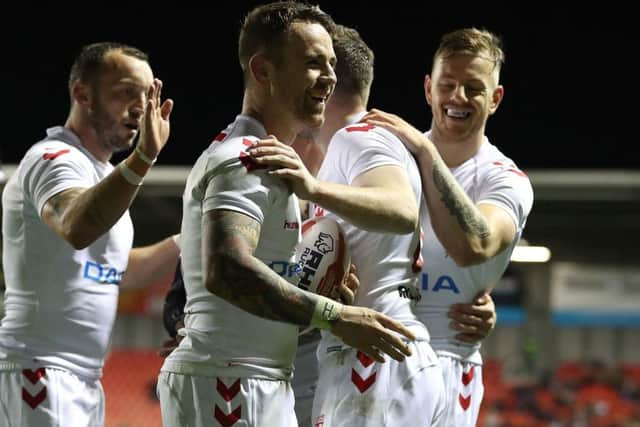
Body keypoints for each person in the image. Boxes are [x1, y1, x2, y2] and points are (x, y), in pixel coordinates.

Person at [156, 4, 415, 427]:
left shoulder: (273, 162)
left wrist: (319, 303)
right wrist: (336, 316)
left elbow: (255, 285)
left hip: (252, 376)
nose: (329, 77)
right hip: (231, 380)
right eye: (313, 63)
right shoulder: (246, 158)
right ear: (262, 71)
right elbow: (227, 269)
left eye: (332, 64)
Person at [248, 25, 446, 427]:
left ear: (327, 80)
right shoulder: (369, 141)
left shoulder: (356, 139)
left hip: (374, 359)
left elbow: (400, 209)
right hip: (381, 353)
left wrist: (311, 187)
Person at [0, 42, 180, 426]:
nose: (140, 107)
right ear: (82, 94)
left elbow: (117, 270)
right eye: (125, 92)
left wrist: (191, 238)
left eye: (147, 96)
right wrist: (143, 159)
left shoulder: (99, 173)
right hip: (40, 367)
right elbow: (75, 227)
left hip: (85, 376)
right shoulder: (54, 160)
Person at [362, 27, 535, 426]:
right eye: (448, 84)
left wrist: (425, 152)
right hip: (372, 349)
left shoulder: (505, 180)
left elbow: (473, 245)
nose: (457, 97)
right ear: (428, 89)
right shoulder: (390, 158)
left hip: (446, 356)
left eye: (473, 88)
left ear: (495, 99)